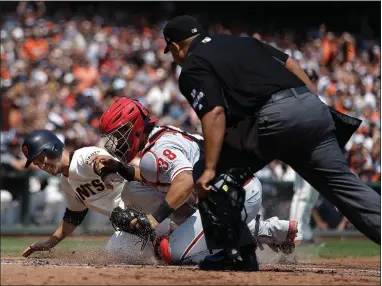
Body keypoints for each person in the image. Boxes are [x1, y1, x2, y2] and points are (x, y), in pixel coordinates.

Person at [161, 15, 381, 270]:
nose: (174, 58)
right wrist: (307, 103)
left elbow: (214, 112)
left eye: (171, 52)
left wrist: (211, 168)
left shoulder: (193, 64)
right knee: (348, 191)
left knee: (205, 173)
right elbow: (290, 63)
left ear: (176, 46)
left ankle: (237, 252)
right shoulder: (242, 42)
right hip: (313, 110)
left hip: (274, 119)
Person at [91, 97, 298, 267]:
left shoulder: (157, 150)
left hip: (235, 194)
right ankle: (261, 230)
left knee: (170, 253)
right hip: (222, 192)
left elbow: (185, 180)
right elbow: (152, 178)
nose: (116, 142)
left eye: (119, 135)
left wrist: (153, 220)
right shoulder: (158, 139)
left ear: (134, 128)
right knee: (133, 189)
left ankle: (249, 238)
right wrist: (119, 168)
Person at [19, 129, 160, 263]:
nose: (41, 166)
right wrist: (49, 243)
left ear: (53, 148)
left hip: (149, 204)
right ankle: (160, 246)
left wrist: (104, 173)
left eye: (40, 158)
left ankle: (165, 234)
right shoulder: (66, 183)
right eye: (37, 164)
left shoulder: (83, 156)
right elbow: (73, 216)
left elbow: (97, 161)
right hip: (128, 220)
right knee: (116, 250)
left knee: (125, 222)